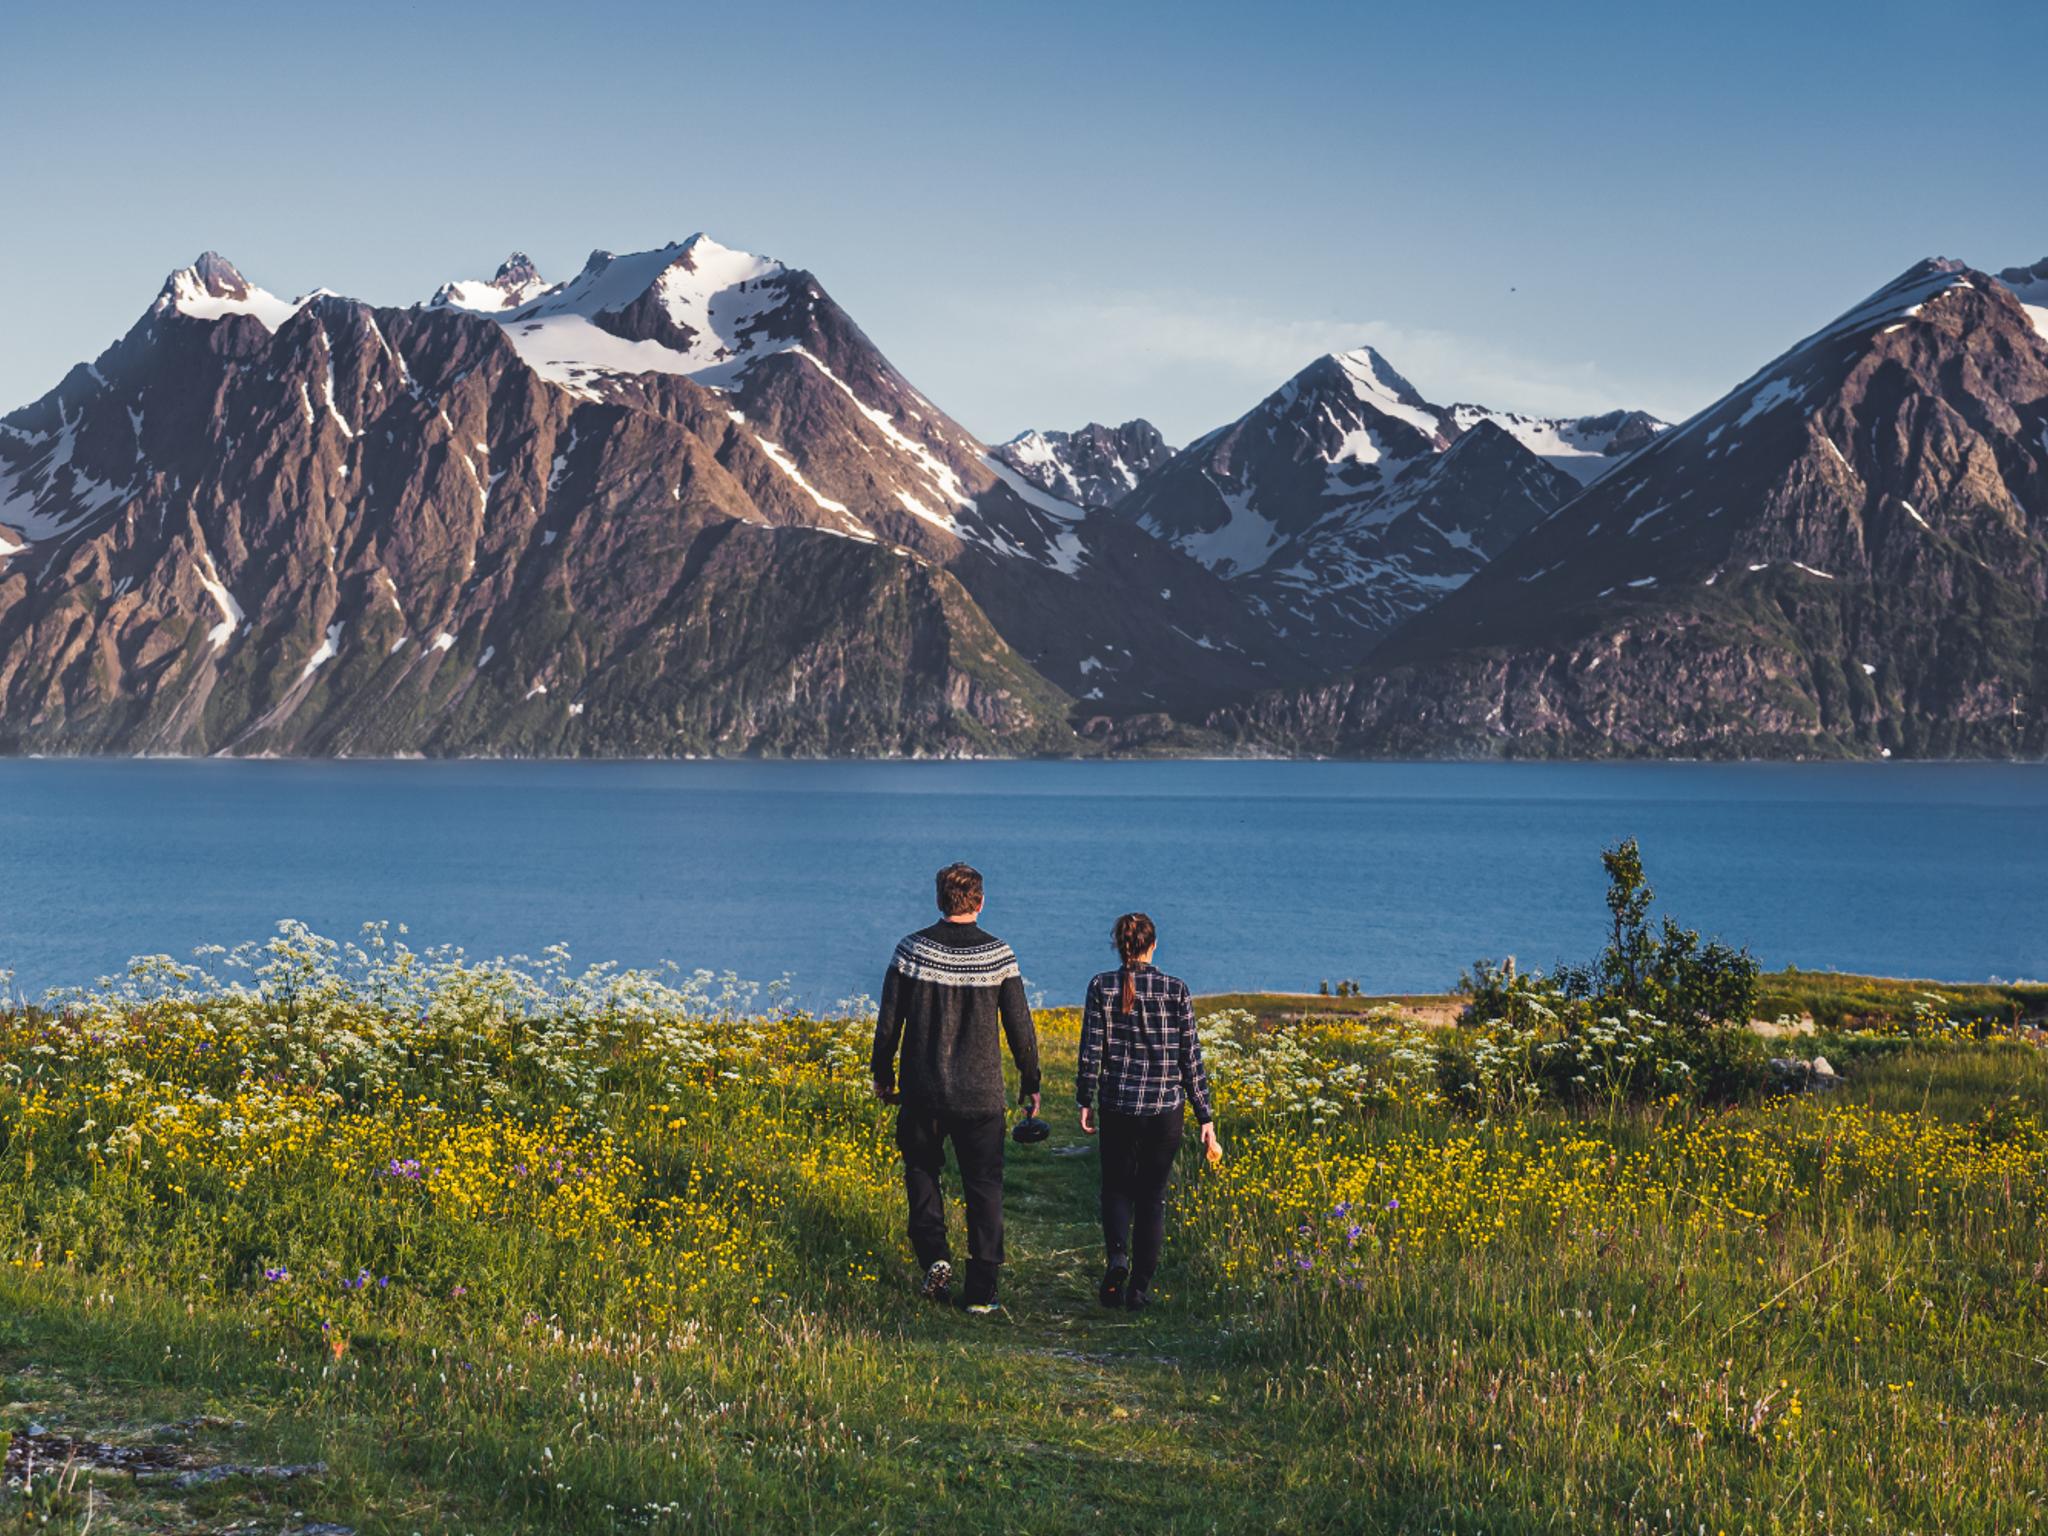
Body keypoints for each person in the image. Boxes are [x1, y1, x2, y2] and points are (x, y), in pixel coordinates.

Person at [872, 862, 1041, 1314]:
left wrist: (882, 1072)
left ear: (939, 900)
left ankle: (935, 1256)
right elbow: (1019, 1026)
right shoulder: (999, 955)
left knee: (922, 1173)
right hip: (982, 1094)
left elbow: (889, 1022)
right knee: (983, 1186)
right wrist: (1032, 1080)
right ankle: (982, 1291)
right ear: (980, 901)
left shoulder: (911, 951)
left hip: (923, 1090)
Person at [1076, 912, 1219, 1311]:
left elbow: (1092, 1050)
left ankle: (1117, 1257)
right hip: (1164, 1109)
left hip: (1118, 1103)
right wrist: (1205, 1116)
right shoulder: (1176, 990)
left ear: (1119, 946)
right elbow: (1190, 1059)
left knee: (1116, 1188)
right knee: (1152, 1197)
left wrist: (1084, 1098)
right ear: (1153, 945)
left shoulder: (1100, 986)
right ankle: (1138, 1289)